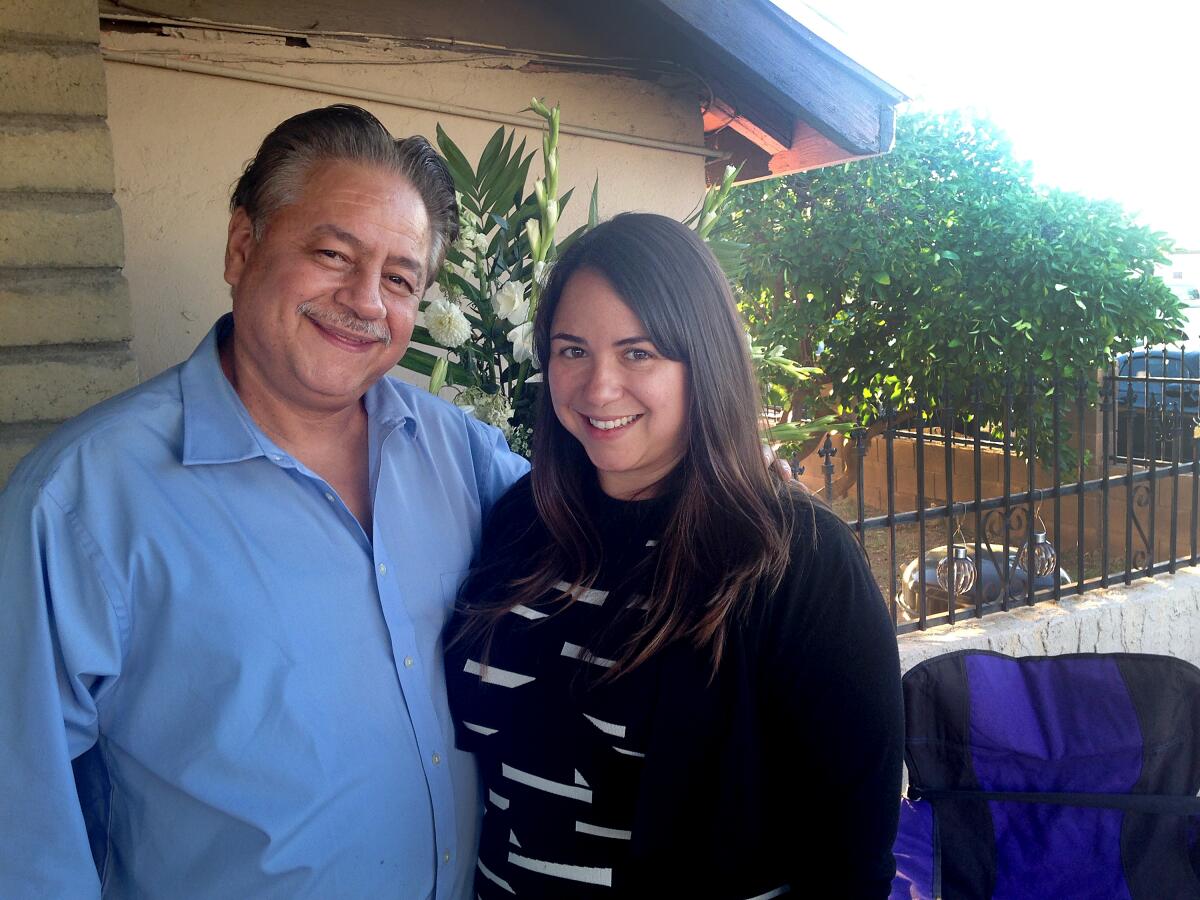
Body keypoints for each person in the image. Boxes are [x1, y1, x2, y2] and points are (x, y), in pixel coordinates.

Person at [0, 105, 528, 898]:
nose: (364, 301)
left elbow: (611, 547)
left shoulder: (460, 454)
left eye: (399, 278)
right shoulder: (80, 503)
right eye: (331, 253)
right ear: (242, 247)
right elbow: (24, 823)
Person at [445, 214, 904, 898]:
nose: (598, 387)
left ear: (704, 360)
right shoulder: (521, 524)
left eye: (639, 353)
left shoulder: (795, 561)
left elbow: (852, 860)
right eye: (572, 350)